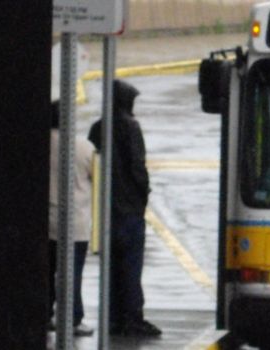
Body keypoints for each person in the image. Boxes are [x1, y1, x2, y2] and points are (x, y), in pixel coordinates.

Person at [88, 80, 162, 337]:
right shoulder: (131, 127)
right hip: (129, 210)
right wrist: (143, 196)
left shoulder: (98, 128)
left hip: (105, 211)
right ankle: (132, 318)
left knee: (111, 268)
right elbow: (137, 167)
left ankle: (113, 317)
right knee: (131, 268)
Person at [48, 100, 95, 336]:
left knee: (46, 271)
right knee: (72, 273)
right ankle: (73, 318)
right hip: (76, 222)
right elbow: (98, 178)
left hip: (47, 221)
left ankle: (44, 313)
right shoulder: (84, 147)